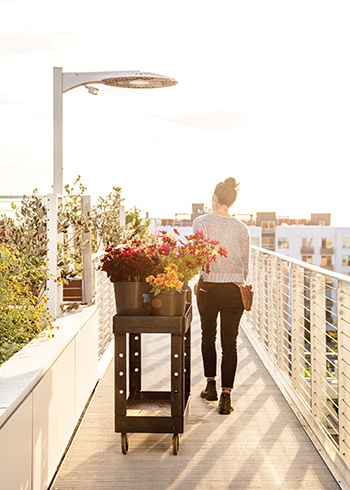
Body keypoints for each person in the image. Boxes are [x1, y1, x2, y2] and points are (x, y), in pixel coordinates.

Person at [193, 177, 250, 415]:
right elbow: (245, 265)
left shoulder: (201, 222)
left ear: (214, 198)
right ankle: (226, 397)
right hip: (235, 289)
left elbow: (198, 256)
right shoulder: (242, 228)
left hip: (209, 288)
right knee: (230, 344)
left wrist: (204, 275)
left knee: (208, 336)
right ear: (232, 201)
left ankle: (210, 386)